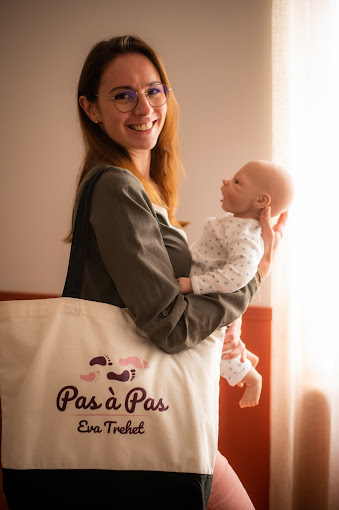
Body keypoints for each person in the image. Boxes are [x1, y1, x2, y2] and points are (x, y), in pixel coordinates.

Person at [53, 35, 287, 509]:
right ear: (91, 109)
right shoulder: (118, 187)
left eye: (154, 90)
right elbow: (172, 325)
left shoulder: (147, 188)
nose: (144, 107)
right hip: (138, 420)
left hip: (152, 411)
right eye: (123, 95)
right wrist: (256, 271)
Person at [178, 160, 294, 408]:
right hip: (212, 298)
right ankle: (246, 354)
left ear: (260, 201)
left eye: (237, 182)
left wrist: (193, 284)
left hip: (213, 298)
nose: (226, 182)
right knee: (225, 343)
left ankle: (252, 378)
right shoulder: (235, 224)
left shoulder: (246, 235)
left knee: (215, 351)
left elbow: (238, 276)